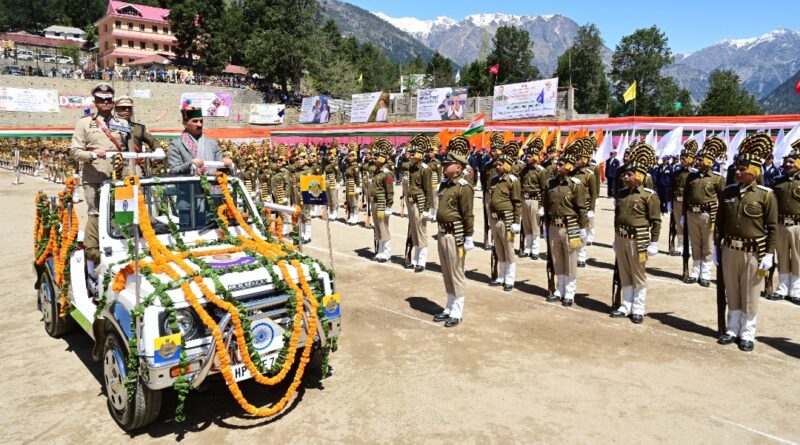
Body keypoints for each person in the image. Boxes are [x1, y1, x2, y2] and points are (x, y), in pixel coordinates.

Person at [716, 133, 777, 352]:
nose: (738, 172)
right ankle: (732, 328)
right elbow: (720, 223)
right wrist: (717, 246)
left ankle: (748, 333)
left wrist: (769, 254)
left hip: (754, 253)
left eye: (743, 169)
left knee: (750, 293)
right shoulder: (728, 192)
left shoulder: (766, 195)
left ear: (754, 170)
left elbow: (772, 227)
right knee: (732, 290)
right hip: (729, 249)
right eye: (737, 168)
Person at [69, 82, 135, 265]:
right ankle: (94, 252)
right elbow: (74, 151)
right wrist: (91, 154)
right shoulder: (84, 123)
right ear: (95, 101)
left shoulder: (123, 124)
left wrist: (131, 175)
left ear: (112, 101)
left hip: (120, 176)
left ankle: (123, 246)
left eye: (108, 99)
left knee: (123, 211)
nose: (105, 102)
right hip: (94, 176)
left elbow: (130, 153)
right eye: (101, 99)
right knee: (96, 213)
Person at [609, 143, 661, 324]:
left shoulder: (649, 196)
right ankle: (626, 305)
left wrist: (653, 242)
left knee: (638, 274)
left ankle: (638, 308)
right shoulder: (622, 194)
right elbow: (617, 217)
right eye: (625, 174)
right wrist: (615, 237)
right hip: (622, 238)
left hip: (638, 240)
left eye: (629, 174)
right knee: (624, 272)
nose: (625, 177)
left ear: (639, 176)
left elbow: (655, 221)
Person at [432, 136, 475, 327]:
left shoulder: (464, 187)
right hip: (442, 232)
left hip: (455, 235)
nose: (444, 165)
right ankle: (448, 306)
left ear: (458, 166)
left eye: (447, 163)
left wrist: (468, 237)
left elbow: (468, 214)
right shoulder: (445, 184)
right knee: (446, 271)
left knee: (456, 272)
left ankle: (457, 311)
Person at [544, 145, 588, 307]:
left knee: (570, 260)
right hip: (554, 226)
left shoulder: (576, 184)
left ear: (569, 167)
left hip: (571, 227)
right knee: (557, 259)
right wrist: (545, 227)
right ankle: (559, 289)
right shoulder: (551, 183)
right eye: (557, 164)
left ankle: (570, 292)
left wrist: (583, 229)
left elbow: (581, 208)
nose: (557, 167)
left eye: (561, 165)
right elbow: (547, 206)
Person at [682, 137, 726, 286]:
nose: (697, 162)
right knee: (695, 243)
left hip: (708, 216)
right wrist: (683, 215)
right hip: (691, 214)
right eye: (697, 159)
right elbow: (686, 196)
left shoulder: (717, 179)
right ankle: (695, 272)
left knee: (707, 245)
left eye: (701, 160)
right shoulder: (691, 176)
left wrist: (719, 218)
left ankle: (705, 274)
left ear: (709, 161)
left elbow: (722, 200)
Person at [768, 140, 800, 302]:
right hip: (780, 224)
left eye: (791, 162)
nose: (787, 164)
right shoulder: (777, 181)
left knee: (797, 257)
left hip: (798, 226)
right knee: (781, 256)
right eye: (786, 161)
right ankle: (782, 287)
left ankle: (796, 290)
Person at [489, 141, 523, 291]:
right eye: (497, 164)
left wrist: (516, 222)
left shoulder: (513, 181)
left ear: (508, 166)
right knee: (499, 248)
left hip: (507, 219)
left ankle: (509, 278)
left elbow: (517, 202)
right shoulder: (494, 180)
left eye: (500, 164)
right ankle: (501, 276)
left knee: (508, 249)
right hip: (495, 218)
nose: (497, 166)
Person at [167, 106, 233, 175]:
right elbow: (173, 170)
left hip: (212, 184)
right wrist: (190, 165)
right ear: (185, 124)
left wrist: (225, 163)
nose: (200, 124)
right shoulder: (176, 145)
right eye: (195, 121)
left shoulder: (212, 144)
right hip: (188, 185)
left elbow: (220, 169)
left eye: (201, 121)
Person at [406, 134, 434, 272]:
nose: (410, 156)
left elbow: (428, 190)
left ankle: (422, 261)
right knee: (414, 231)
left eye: (413, 154)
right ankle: (415, 258)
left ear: (419, 154)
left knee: (421, 231)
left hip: (420, 203)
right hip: (411, 203)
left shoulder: (425, 168)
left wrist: (427, 209)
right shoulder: (412, 168)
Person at [519, 137, 548, 259]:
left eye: (530, 156)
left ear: (536, 157)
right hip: (524, 199)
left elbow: (544, 189)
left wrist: (542, 206)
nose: (527, 158)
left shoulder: (541, 171)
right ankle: (528, 247)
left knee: (535, 225)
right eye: (527, 156)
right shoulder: (524, 169)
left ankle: (535, 249)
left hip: (535, 200)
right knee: (526, 225)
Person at [669, 140, 697, 256]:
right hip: (677, 201)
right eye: (681, 158)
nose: (682, 160)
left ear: (690, 159)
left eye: (684, 158)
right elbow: (671, 188)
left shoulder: (694, 173)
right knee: (678, 224)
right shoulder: (676, 172)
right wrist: (670, 202)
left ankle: (689, 245)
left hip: (689, 203)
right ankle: (681, 245)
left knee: (690, 223)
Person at [370, 138, 395, 262]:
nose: (373, 160)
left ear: (381, 158)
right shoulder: (376, 171)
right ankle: (380, 251)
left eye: (375, 158)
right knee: (377, 228)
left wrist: (389, 206)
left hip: (382, 203)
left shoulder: (388, 173)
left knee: (383, 227)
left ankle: (386, 252)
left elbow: (390, 190)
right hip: (374, 202)